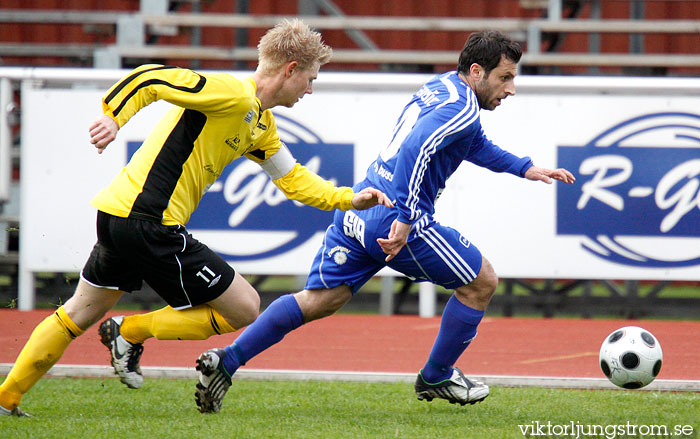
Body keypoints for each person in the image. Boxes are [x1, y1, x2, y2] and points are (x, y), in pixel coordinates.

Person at [0, 19, 392, 417]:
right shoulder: (231, 94)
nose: (310, 89)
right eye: (309, 79)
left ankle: (7, 397)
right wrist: (113, 117)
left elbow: (292, 179)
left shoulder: (259, 123)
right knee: (244, 307)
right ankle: (128, 331)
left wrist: (348, 199)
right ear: (290, 69)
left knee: (79, 312)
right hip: (149, 220)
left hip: (118, 215)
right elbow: (149, 77)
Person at [193, 29, 576, 414]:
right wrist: (408, 219)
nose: (510, 89)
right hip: (397, 219)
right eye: (504, 78)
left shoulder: (442, 87)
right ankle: (437, 375)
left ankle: (227, 361)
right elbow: (415, 151)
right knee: (482, 283)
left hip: (363, 204)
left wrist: (525, 167)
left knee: (321, 300)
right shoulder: (459, 109)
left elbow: (472, 143)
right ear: (477, 71)